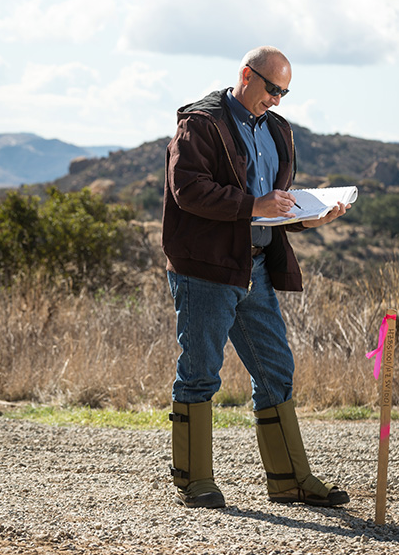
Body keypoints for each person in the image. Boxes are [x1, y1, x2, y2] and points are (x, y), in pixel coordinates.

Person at [161, 46, 351, 509]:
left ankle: (289, 480)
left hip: (257, 267)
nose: (278, 100)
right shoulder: (201, 123)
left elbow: (274, 203)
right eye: (272, 88)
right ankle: (193, 481)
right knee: (200, 373)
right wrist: (254, 206)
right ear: (247, 75)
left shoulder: (277, 130)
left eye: (285, 91)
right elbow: (188, 190)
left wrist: (306, 218)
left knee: (276, 370)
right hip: (207, 269)